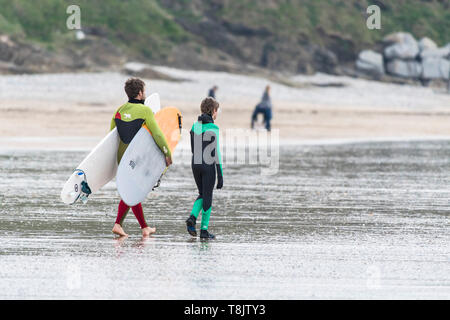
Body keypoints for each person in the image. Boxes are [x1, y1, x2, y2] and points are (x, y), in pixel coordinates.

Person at [110, 78, 172, 237]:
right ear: (139, 94)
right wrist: (167, 152)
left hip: (122, 158)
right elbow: (157, 133)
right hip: (137, 158)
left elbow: (111, 138)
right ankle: (118, 224)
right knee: (134, 190)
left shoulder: (119, 111)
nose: (145, 94)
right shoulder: (145, 111)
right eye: (144, 91)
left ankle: (144, 228)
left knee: (133, 190)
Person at [185, 97, 223, 240]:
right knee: (207, 196)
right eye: (216, 111)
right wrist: (220, 175)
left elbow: (193, 148)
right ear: (213, 111)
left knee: (202, 193)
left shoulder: (195, 126)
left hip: (195, 163)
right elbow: (216, 152)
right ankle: (204, 230)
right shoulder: (214, 128)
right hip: (207, 165)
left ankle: (192, 219)